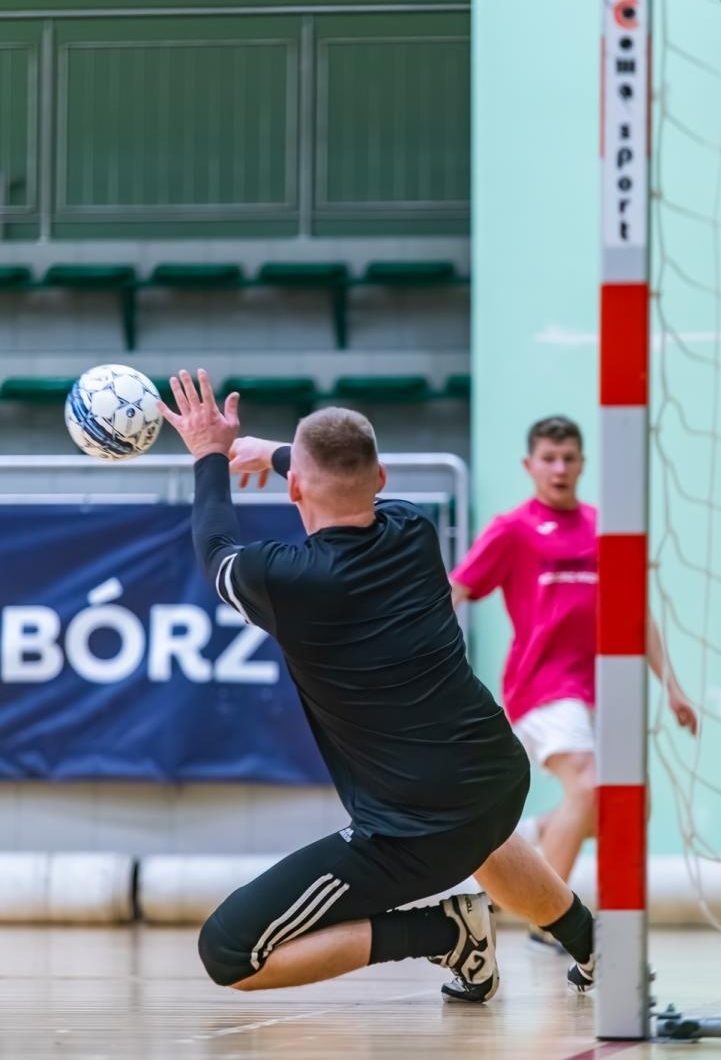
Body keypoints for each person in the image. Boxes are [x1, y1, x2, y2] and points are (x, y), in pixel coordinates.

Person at [156, 372, 597, 1003]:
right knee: (479, 834)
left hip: (410, 833)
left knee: (229, 951)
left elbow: (214, 548)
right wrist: (272, 451)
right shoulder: (413, 529)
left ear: (295, 488)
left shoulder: (285, 579)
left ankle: (444, 933)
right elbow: (346, 475)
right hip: (499, 778)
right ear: (381, 478)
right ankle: (593, 942)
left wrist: (209, 455)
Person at [450, 415, 698, 943]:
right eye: (549, 459)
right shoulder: (512, 528)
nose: (559, 468)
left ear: (582, 464)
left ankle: (532, 835)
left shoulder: (603, 528)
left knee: (628, 806)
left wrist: (672, 686)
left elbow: (636, 614)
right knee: (587, 785)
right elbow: (457, 589)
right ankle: (550, 925)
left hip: (599, 691)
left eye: (568, 459)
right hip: (540, 685)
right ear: (530, 465)